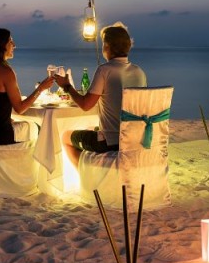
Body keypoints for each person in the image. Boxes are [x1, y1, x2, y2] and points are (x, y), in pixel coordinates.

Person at [53, 22, 146, 166]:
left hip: (110, 143)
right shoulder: (139, 72)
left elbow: (85, 105)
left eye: (103, 43)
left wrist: (67, 87)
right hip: (135, 140)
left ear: (107, 47)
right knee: (91, 129)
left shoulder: (105, 70)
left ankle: (87, 179)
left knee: (65, 136)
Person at [0, 27, 54, 145]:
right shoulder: (5, 72)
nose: (14, 45)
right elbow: (20, 108)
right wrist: (40, 88)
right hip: (0, 136)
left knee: (25, 124)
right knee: (40, 128)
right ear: (1, 46)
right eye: (10, 41)